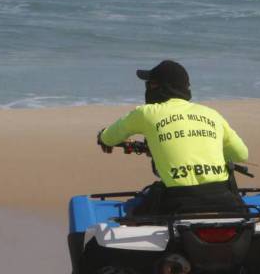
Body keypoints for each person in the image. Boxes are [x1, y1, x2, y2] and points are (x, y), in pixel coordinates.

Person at [97, 60, 249, 215]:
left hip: (176, 202)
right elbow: (241, 154)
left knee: (131, 210)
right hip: (224, 200)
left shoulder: (146, 113)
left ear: (154, 87)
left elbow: (109, 138)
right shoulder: (212, 114)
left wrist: (102, 137)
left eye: (149, 84)